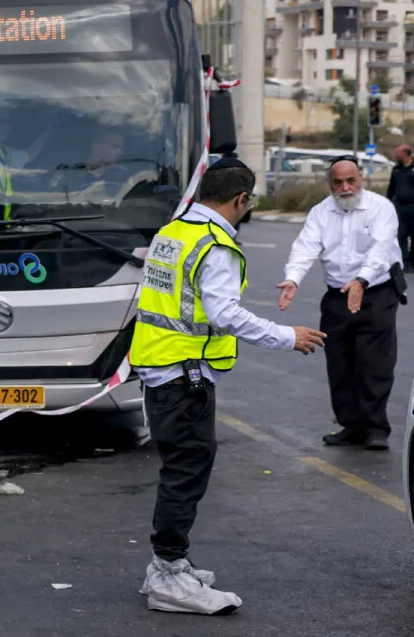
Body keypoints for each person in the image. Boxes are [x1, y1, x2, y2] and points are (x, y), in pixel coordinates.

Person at [131, 157, 325, 613]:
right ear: (241, 199)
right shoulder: (213, 244)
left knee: (183, 466)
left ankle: (168, 567)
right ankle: (167, 573)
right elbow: (224, 314)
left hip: (163, 367)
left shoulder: (173, 232)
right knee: (187, 470)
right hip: (183, 374)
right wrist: (286, 336)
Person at [277, 156, 405, 450]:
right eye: (338, 182)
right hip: (337, 296)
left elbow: (381, 249)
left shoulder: (380, 208)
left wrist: (362, 280)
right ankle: (352, 425)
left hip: (376, 292)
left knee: (374, 362)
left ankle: (375, 428)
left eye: (351, 180)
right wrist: (292, 279)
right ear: (330, 183)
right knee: (339, 361)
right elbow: (306, 246)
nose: (346, 187)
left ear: (361, 178)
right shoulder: (321, 212)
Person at [388, 145, 414, 259]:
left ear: (406, 154)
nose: (395, 155)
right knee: (401, 235)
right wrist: (387, 202)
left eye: (398, 153)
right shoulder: (396, 169)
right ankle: (404, 262)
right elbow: (391, 187)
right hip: (400, 207)